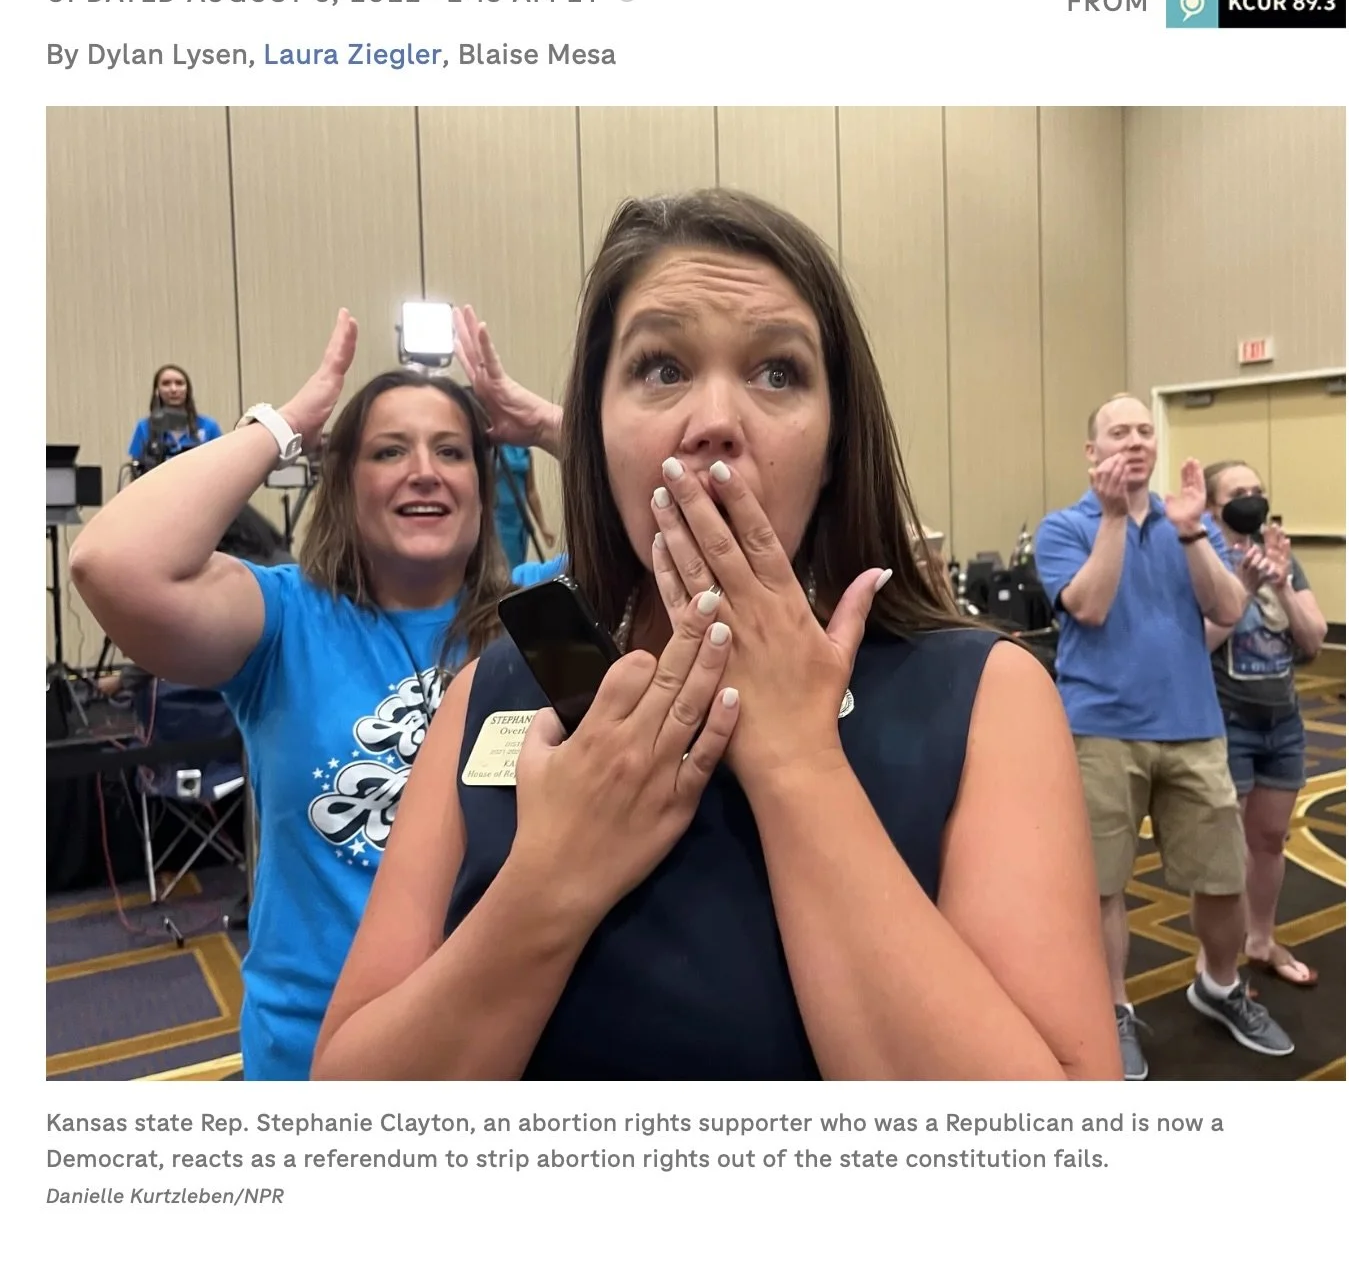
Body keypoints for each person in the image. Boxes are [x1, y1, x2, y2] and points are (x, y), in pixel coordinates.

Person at [313, 189, 1120, 1082]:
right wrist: (551, 883)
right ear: (596, 430)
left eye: (778, 373)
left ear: (835, 443)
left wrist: (797, 765)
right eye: (662, 368)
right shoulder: (493, 690)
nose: (715, 424)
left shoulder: (984, 696)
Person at [71, 312, 563, 1080]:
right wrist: (284, 426)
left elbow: (674, 515)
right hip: (316, 1057)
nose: (424, 471)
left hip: (504, 1042)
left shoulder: (540, 613)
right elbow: (109, 561)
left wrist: (546, 425)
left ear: (482, 481)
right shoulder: (285, 620)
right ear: (344, 485)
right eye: (389, 451)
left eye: (451, 451)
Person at [1035, 395, 1294, 1080]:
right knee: (1102, 884)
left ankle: (1219, 985)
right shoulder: (1064, 527)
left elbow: (1229, 608)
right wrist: (1114, 518)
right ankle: (1114, 1009)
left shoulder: (1192, 524)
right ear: (1091, 453)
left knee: (1222, 875)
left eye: (1145, 431)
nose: (1135, 441)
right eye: (1118, 432)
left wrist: (1189, 534)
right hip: (1099, 729)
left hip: (1194, 727)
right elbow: (1089, 607)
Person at [1204, 461, 1328, 988]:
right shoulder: (1203, 561)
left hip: (1283, 722)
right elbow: (1196, 643)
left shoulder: (1282, 558)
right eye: (1238, 493)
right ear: (1212, 507)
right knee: (1225, 850)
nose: (1251, 499)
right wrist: (1244, 588)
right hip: (1226, 721)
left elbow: (1314, 640)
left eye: (1257, 490)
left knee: (1271, 839)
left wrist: (1281, 584)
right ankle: (1215, 962)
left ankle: (1260, 938)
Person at [128, 364, 223, 465]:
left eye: (179, 383)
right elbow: (136, 469)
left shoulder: (208, 426)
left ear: (188, 390)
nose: (173, 389)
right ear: (157, 391)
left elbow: (222, 463)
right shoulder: (144, 427)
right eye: (166, 383)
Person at [493, 441, 555, 571]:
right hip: (497, 522)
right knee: (500, 571)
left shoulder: (524, 451)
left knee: (517, 569)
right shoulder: (491, 449)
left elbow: (531, 492)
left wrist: (543, 527)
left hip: (519, 522)